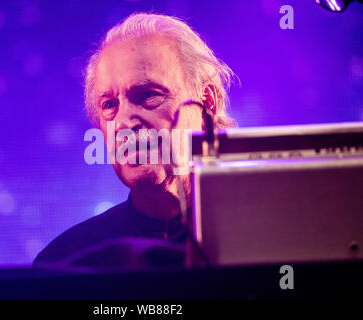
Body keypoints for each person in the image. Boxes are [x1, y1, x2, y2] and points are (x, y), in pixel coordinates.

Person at [33, 12, 236, 269]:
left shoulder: (269, 237)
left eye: (148, 94)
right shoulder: (66, 262)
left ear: (207, 103)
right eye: (109, 105)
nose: (124, 123)